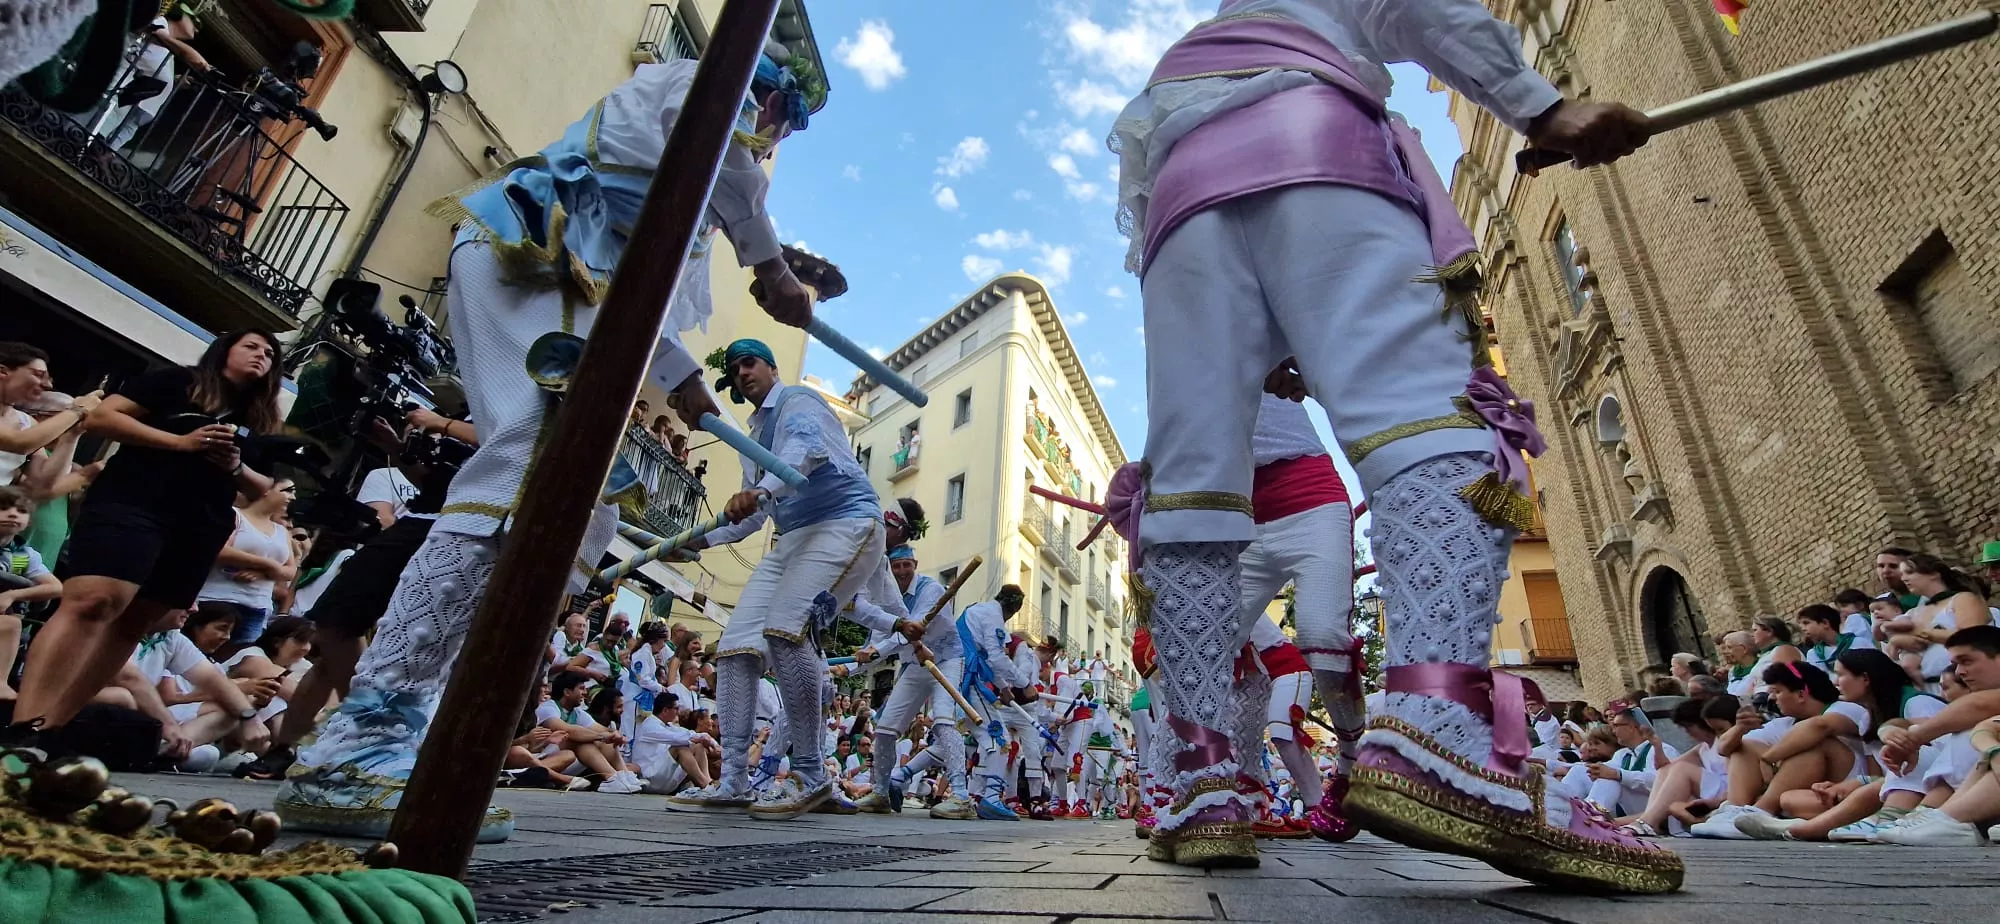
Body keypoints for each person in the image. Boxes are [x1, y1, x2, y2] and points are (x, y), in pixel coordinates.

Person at [1110, 0, 1663, 886]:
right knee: (1428, 415)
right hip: (1316, 143)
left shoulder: (1217, 26)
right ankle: (1438, 728)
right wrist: (1539, 105)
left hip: (1179, 202)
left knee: (1192, 487)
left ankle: (1206, 778)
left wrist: (1275, 325)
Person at [275, 40, 822, 841]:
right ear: (768, 99)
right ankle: (356, 747)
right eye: (779, 125)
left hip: (567, 280)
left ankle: (421, 733)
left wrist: (691, 388)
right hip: (527, 256)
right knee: (534, 454)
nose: (771, 142)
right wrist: (772, 270)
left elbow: (642, 294)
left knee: (582, 500)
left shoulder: (689, 191)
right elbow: (729, 177)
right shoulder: (700, 94)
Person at [665, 339, 919, 819]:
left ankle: (810, 773)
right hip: (793, 538)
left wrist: (760, 490)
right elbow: (751, 516)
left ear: (770, 366)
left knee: (786, 628)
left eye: (750, 362)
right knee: (738, 646)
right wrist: (698, 542)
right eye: (736, 368)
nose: (743, 373)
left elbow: (800, 456)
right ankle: (734, 779)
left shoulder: (798, 400)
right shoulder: (752, 434)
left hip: (843, 523)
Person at [7, 331, 281, 752]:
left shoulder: (260, 418)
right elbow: (102, 419)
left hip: (199, 521)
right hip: (135, 498)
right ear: (224, 351)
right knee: (94, 600)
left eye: (269, 353)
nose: (261, 355)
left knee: (136, 623)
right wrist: (180, 442)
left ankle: (51, 731)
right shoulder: (177, 382)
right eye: (251, 346)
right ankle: (25, 723)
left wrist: (236, 464)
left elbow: (263, 487)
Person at [238, 408, 470, 781]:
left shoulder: (504, 405)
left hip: (453, 532)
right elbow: (433, 481)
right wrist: (395, 448)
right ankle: (293, 746)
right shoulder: (464, 412)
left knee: (341, 632)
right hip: (421, 522)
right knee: (330, 639)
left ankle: (367, 734)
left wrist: (439, 423)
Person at [853, 541, 973, 820]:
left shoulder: (929, 589)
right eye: (896, 567)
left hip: (946, 659)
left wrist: (877, 650)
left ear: (915, 565)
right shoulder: (886, 598)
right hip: (914, 665)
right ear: (890, 571)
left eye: (906, 565)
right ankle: (881, 792)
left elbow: (911, 628)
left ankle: (961, 796)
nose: (902, 571)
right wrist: (852, 667)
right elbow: (877, 640)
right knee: (884, 729)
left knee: (943, 720)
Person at [957, 585, 1038, 821]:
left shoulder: (979, 610)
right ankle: (991, 798)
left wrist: (1003, 687)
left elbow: (987, 659)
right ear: (1013, 609)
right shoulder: (994, 617)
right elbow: (995, 658)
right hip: (966, 678)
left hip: (956, 673)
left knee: (947, 739)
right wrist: (1024, 684)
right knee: (998, 738)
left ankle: (899, 778)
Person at [194, 478, 298, 645]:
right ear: (266, 490)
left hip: (256, 606)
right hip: (217, 599)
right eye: (287, 490)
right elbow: (219, 550)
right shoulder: (235, 516)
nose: (292, 497)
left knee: (240, 659)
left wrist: (263, 573)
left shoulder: (282, 531)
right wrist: (267, 564)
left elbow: (290, 571)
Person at [0, 342, 100, 494]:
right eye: (38, 375)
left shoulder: (26, 423)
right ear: (3, 372)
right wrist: (77, 410)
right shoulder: (25, 435)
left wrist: (72, 435)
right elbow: (19, 442)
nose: (47, 385)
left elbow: (42, 482)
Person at [1882, 553, 1991, 690]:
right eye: (1902, 574)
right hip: (1927, 687)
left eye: (1909, 572)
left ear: (1934, 574)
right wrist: (1895, 641)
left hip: (1963, 683)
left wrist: (1920, 634)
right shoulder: (1914, 613)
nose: (1904, 578)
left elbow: (1974, 636)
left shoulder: (1962, 599)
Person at [0, 486, 63, 699]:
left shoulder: (20, 555)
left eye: (21, 510)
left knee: (12, 623)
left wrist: (12, 595)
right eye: (4, 508)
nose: (13, 513)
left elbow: (55, 587)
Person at [535, 671, 644, 794]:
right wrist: (602, 736)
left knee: (604, 741)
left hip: (565, 759)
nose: (585, 693)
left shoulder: (577, 712)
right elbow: (569, 731)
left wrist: (615, 735)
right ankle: (611, 778)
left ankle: (623, 775)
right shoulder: (548, 708)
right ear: (567, 692)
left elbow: (599, 729)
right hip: (541, 756)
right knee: (581, 741)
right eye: (581, 689)